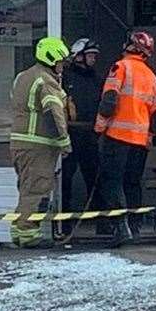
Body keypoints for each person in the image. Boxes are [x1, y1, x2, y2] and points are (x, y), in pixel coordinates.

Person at [95, 31, 156, 247]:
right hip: (140, 141)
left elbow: (109, 99)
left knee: (111, 182)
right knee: (132, 183)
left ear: (130, 47)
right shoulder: (152, 77)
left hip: (117, 136)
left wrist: (99, 127)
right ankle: (134, 227)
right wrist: (150, 136)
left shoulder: (121, 67)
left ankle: (120, 228)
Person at [9, 37, 73, 248]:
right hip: (38, 145)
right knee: (37, 189)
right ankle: (28, 235)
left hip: (19, 144)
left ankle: (19, 231)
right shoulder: (45, 80)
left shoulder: (22, 77)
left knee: (26, 189)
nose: (62, 66)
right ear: (51, 59)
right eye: (61, 61)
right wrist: (64, 141)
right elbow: (54, 113)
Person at [61, 38, 103, 212]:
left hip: (90, 134)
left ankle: (100, 222)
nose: (93, 58)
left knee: (95, 179)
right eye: (90, 55)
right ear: (78, 56)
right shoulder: (65, 77)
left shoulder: (96, 78)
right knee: (65, 179)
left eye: (94, 55)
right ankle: (64, 221)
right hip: (71, 133)